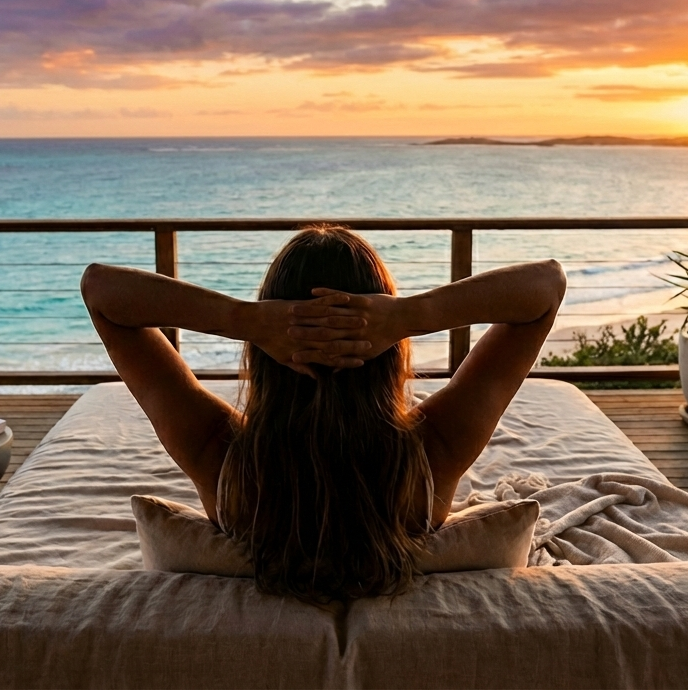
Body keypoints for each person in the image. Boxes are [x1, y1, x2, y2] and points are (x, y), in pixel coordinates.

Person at [82, 225, 565, 600]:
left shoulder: (220, 455)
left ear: (265, 348)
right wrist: (410, 315)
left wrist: (242, 320)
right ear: (389, 347)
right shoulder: (434, 452)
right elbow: (545, 285)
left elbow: (101, 290)